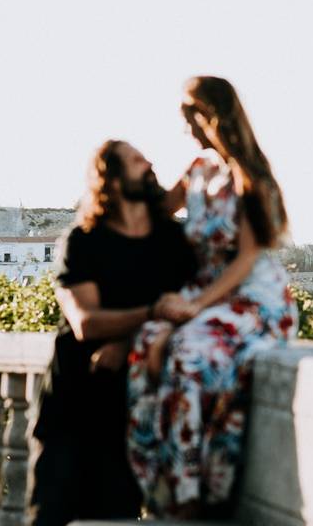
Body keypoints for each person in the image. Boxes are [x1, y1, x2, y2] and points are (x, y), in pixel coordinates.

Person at [127, 76, 297, 519]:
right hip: (206, 296)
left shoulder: (251, 180)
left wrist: (194, 308)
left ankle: (194, 491)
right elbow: (158, 213)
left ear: (212, 118)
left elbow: (245, 261)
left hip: (252, 300)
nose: (187, 131)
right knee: (146, 341)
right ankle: (158, 482)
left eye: (191, 120)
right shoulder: (198, 172)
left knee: (189, 351)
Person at [27, 140, 197, 526]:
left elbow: (188, 309)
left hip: (132, 413)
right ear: (113, 180)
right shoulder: (83, 240)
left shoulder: (173, 243)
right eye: (138, 160)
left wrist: (127, 339)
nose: (150, 162)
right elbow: (86, 323)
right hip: (71, 409)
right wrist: (152, 312)